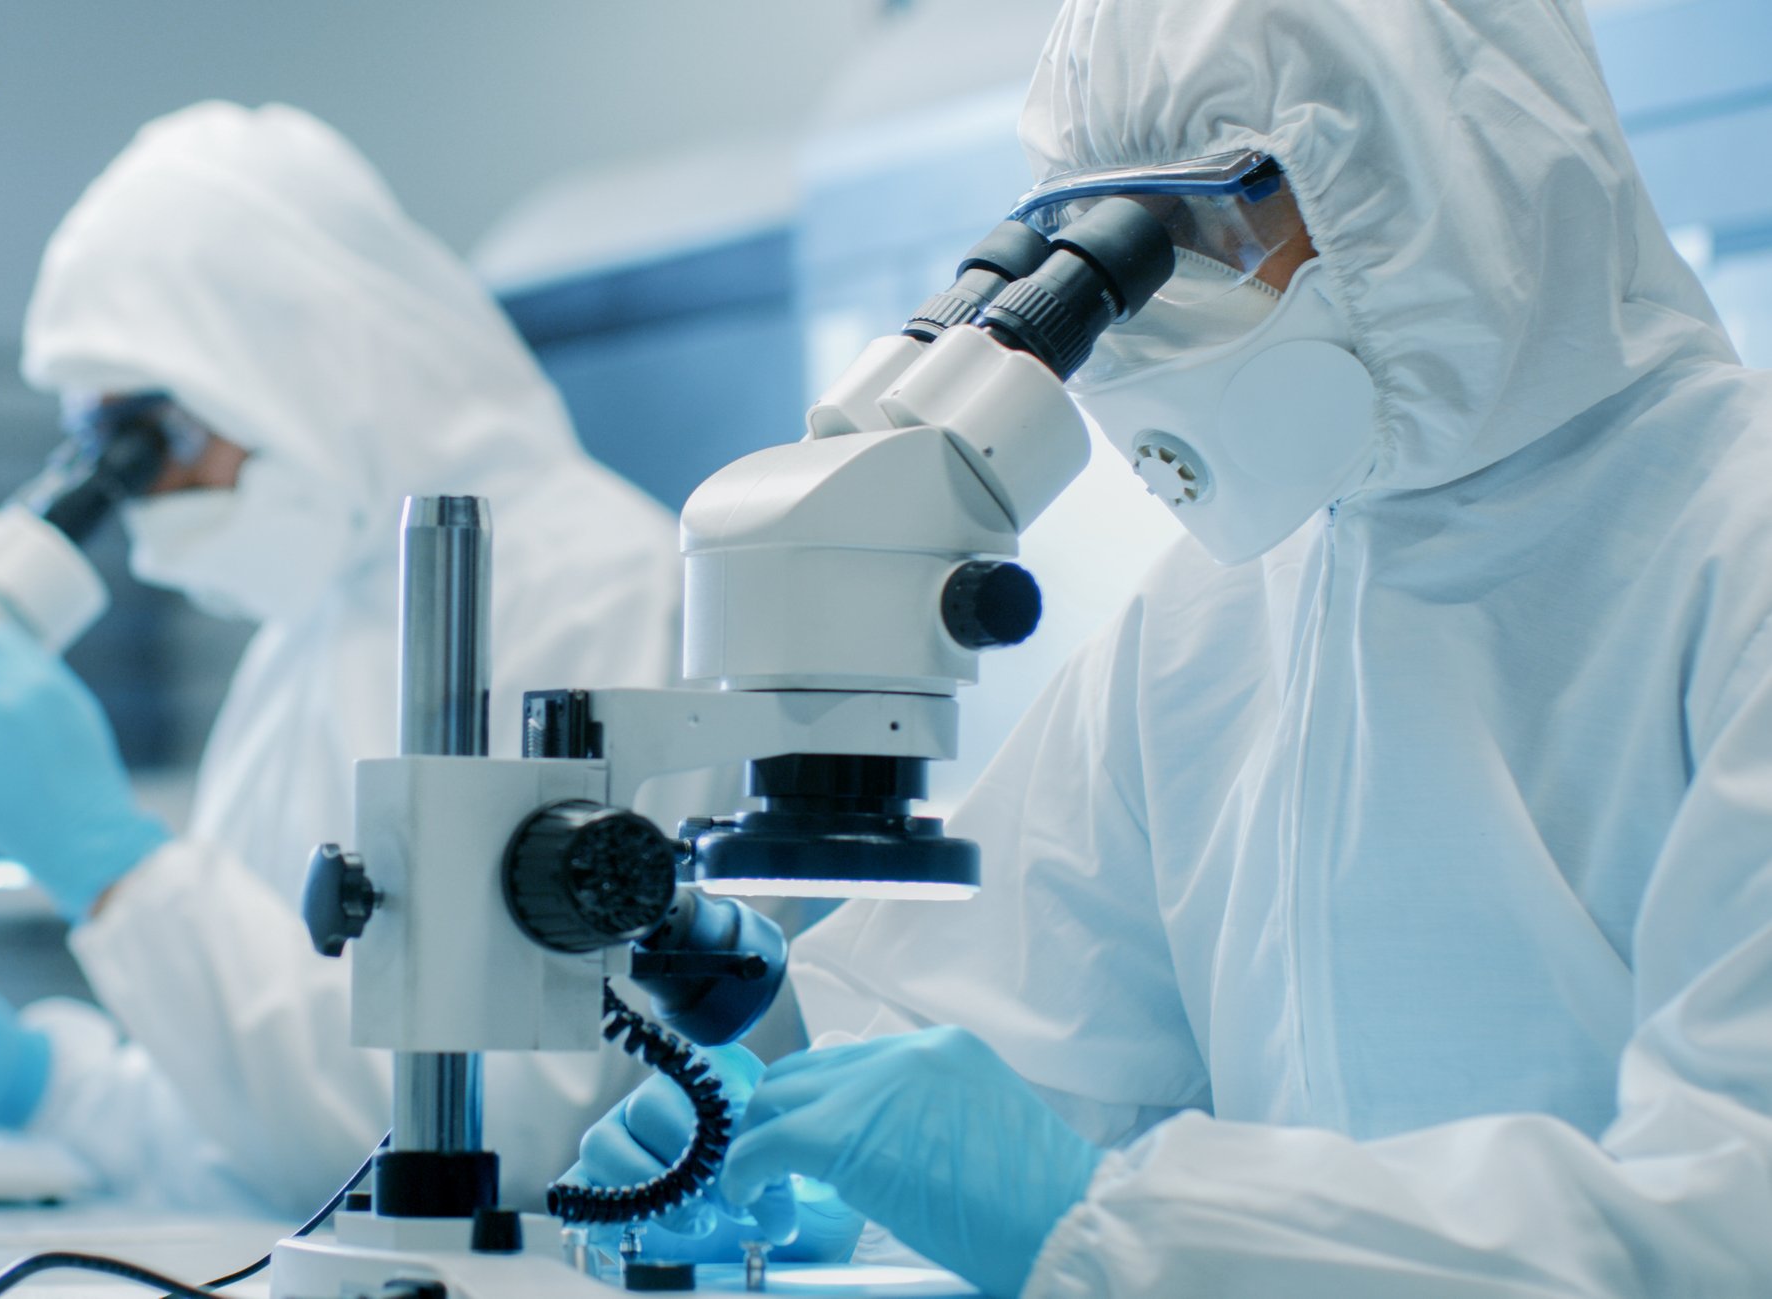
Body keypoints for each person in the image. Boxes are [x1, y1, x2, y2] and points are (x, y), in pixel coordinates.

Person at [569, 0, 1772, 1293]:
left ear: (1445, 166)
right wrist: (784, 1150)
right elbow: (989, 1044)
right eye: (1101, 244)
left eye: (1203, 227)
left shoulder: (1733, 548)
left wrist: (1092, 1211)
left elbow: (1724, 1214)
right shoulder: (1212, 613)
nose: (1142, 321)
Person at [0, 101, 718, 1210]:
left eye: (153, 441)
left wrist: (122, 874)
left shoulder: (599, 594)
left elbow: (486, 1146)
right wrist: (43, 1084)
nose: (145, 499)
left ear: (298, 360)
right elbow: (241, 1145)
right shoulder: (311, 638)